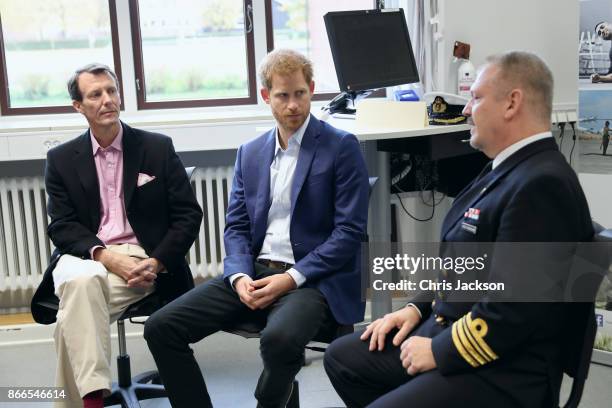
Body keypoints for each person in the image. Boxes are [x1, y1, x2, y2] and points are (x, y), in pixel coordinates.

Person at [324, 51, 594, 408]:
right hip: (460, 333)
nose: (466, 109)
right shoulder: (508, 169)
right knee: (344, 358)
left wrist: (438, 349)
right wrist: (417, 309)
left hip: (505, 370)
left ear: (512, 103)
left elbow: (512, 311)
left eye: (476, 97)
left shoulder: (543, 185)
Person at [143, 48, 369, 408]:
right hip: (254, 272)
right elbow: (236, 226)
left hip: (313, 279)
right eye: (283, 96)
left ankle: (267, 403)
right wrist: (238, 277)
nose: (293, 105)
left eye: (300, 93)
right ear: (267, 96)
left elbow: (349, 234)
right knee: (160, 327)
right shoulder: (250, 152)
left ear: (311, 89)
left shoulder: (341, 147)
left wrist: (291, 278)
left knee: (278, 340)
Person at [30, 63, 203, 408]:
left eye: (112, 91)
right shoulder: (61, 159)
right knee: (83, 280)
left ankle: (85, 401)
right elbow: (61, 226)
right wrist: (104, 256)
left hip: (141, 256)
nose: (108, 100)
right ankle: (93, 395)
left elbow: (188, 214)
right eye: (96, 94)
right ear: (78, 106)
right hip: (82, 256)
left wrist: (157, 261)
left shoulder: (156, 147)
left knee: (73, 312)